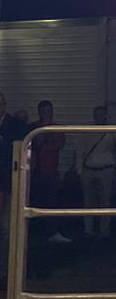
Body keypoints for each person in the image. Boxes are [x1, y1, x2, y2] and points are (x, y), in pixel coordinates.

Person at [78, 106, 116, 240]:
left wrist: (110, 124)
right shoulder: (87, 131)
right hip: (89, 169)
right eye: (96, 115)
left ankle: (104, 231)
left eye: (101, 115)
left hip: (105, 169)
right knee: (88, 202)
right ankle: (88, 230)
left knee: (105, 201)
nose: (98, 117)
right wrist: (79, 170)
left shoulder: (110, 131)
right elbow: (80, 151)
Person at [29, 101, 70, 244]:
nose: (46, 114)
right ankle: (33, 231)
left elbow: (57, 145)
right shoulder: (33, 128)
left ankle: (51, 231)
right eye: (43, 111)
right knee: (34, 201)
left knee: (51, 202)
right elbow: (33, 144)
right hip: (35, 171)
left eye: (48, 111)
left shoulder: (56, 129)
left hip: (51, 171)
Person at [0, 92, 27, 281]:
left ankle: (6, 271)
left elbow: (21, 149)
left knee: (6, 228)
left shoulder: (16, 124)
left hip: (7, 182)